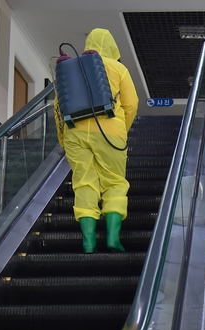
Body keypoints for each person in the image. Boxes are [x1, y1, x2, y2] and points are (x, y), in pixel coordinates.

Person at [53, 28, 138, 253]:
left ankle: (88, 242)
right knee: (114, 182)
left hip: (74, 132)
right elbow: (131, 103)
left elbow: (58, 107)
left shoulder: (72, 69)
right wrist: (122, 130)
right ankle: (112, 238)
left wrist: (64, 138)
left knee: (84, 182)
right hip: (110, 131)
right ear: (112, 47)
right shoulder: (118, 68)